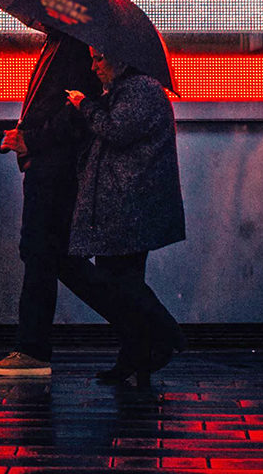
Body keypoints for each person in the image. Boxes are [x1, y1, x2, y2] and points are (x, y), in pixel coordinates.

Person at [57, 47, 187, 387]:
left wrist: (84, 105)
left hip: (131, 204)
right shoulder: (123, 91)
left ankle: (164, 333)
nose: (94, 65)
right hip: (121, 204)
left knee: (121, 282)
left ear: (122, 57)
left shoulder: (141, 89)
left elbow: (117, 131)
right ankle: (135, 355)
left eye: (100, 57)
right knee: (120, 281)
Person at [0, 31, 101, 378]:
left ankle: (33, 349)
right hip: (47, 168)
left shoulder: (75, 48)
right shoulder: (62, 45)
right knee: (56, 259)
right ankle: (150, 328)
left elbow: (78, 114)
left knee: (42, 254)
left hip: (54, 172)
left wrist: (30, 140)